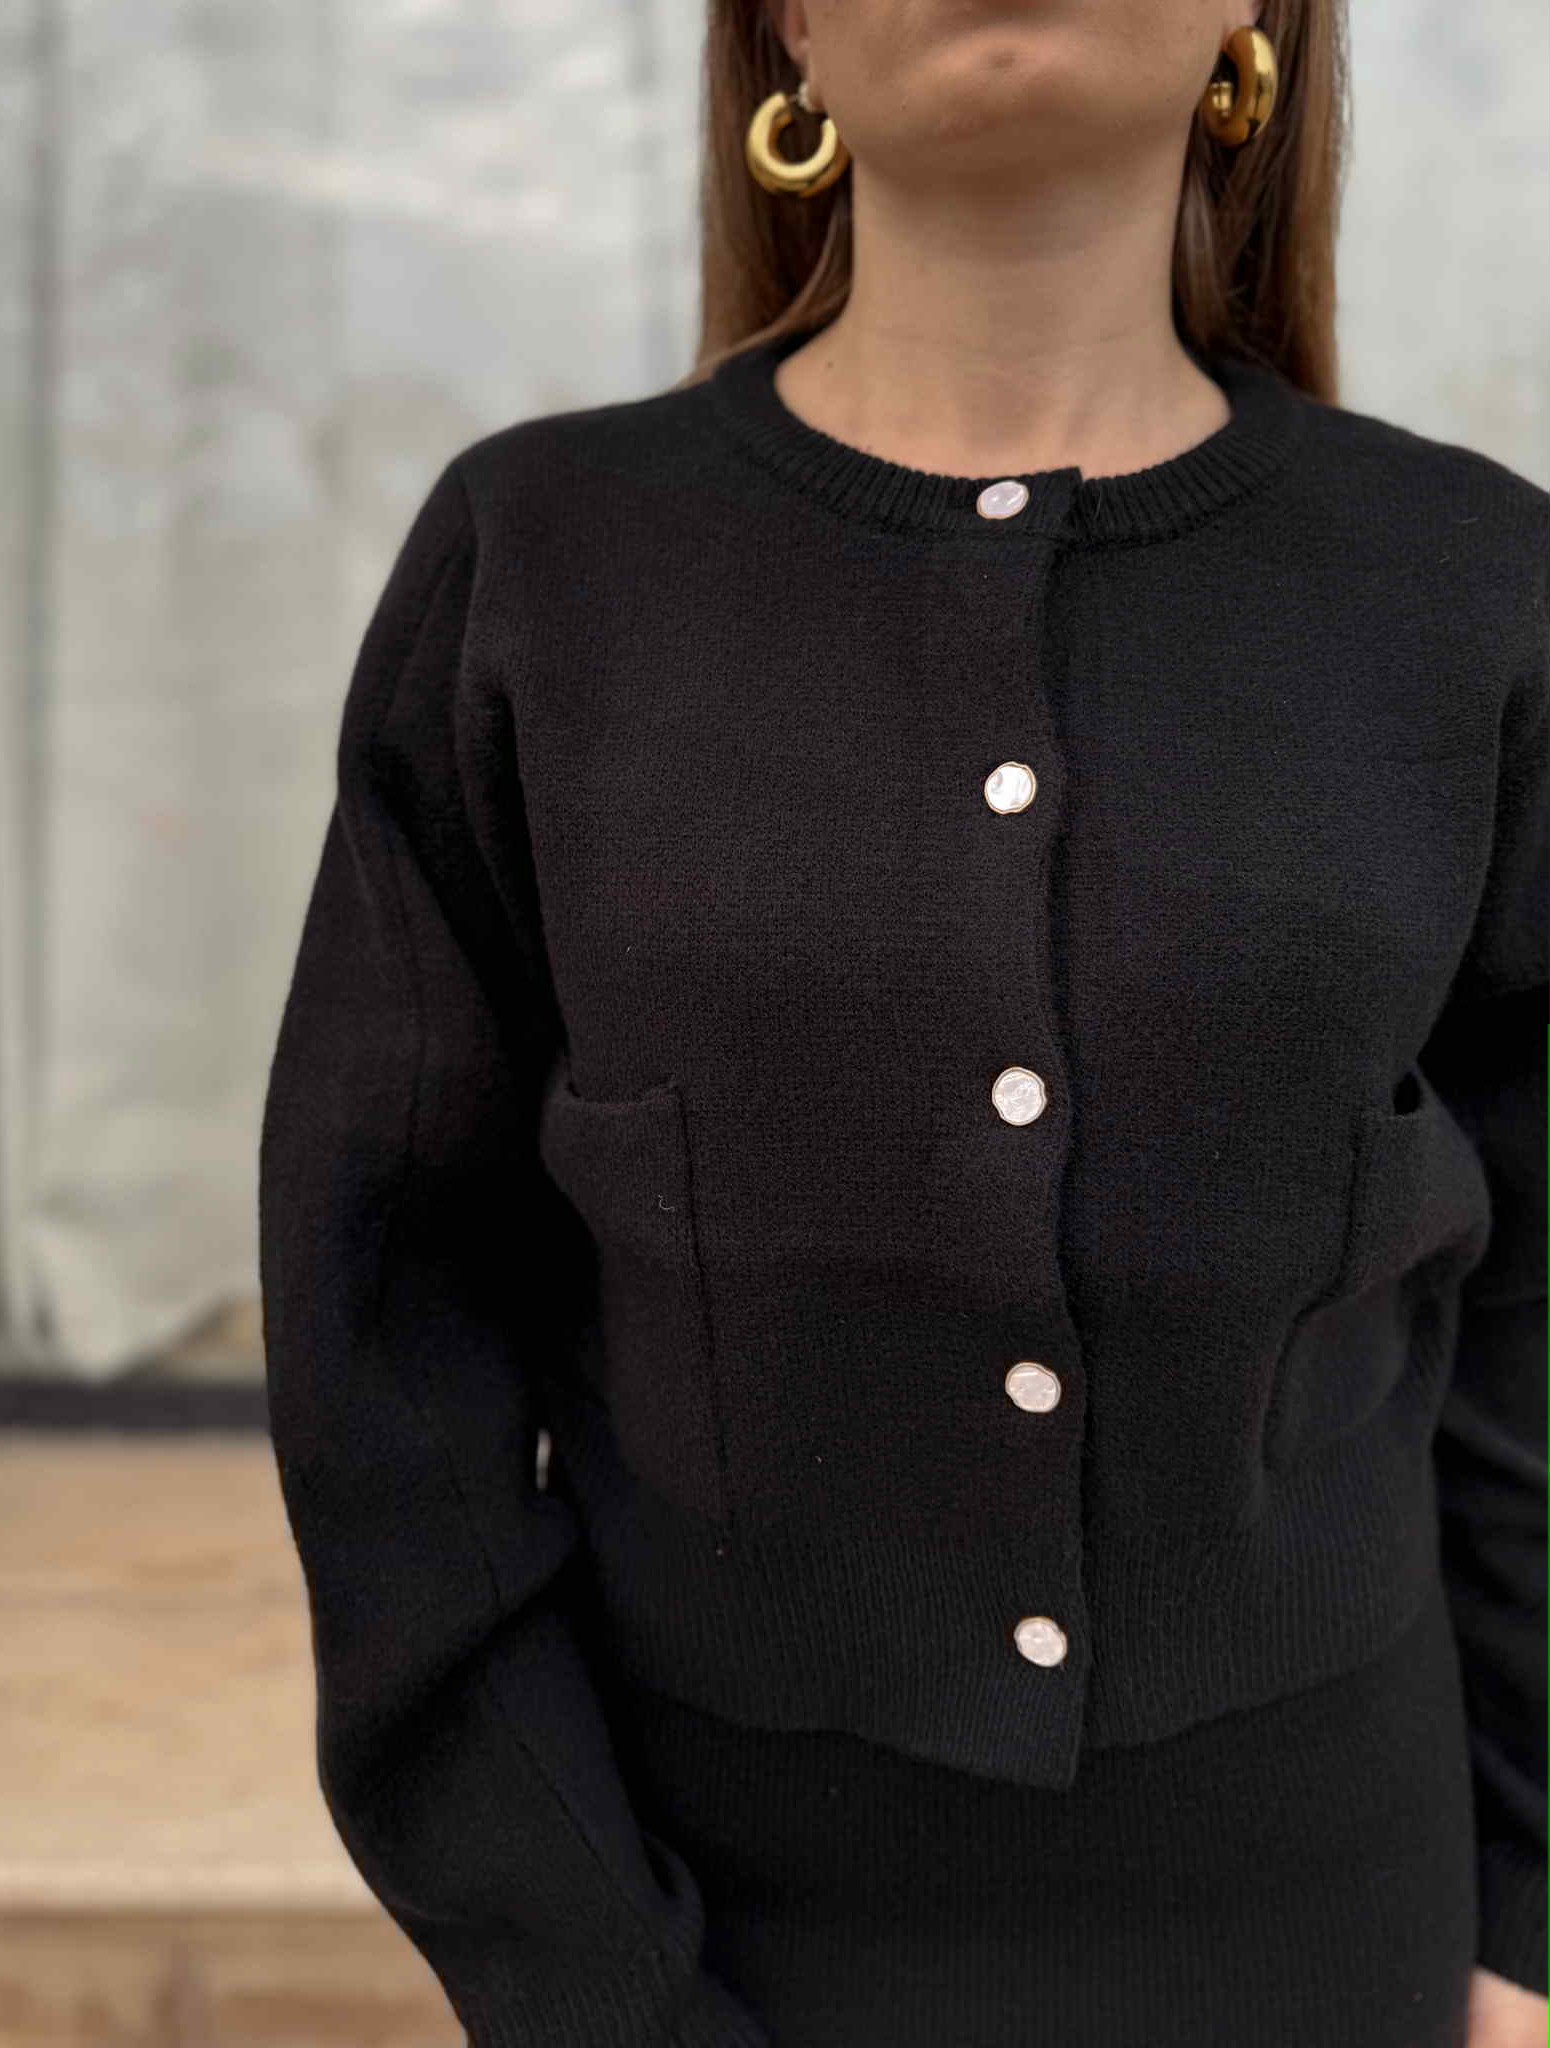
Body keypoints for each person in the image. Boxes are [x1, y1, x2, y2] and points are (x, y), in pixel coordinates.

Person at [256, 1, 1548, 2042]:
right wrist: (583, 1975)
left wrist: (1529, 1926)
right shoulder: (538, 565)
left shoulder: (1468, 586)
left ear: (1254, 22)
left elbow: (1534, 1316)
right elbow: (387, 1351)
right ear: (779, 30)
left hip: (1345, 1935)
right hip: (702, 1945)